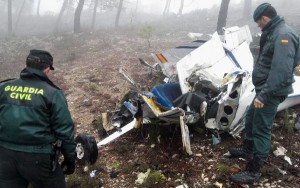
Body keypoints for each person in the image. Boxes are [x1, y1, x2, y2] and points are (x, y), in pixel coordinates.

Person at [229, 3, 300, 184]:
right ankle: (248, 150)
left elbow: (282, 71)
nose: (258, 26)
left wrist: (264, 95)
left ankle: (253, 171)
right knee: (251, 118)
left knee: (261, 128)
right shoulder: (274, 33)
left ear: (264, 19)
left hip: (271, 92)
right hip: (265, 89)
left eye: (258, 23)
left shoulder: (283, 35)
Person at [0, 50, 76, 188]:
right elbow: (64, 130)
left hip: (4, 156)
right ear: (47, 69)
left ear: (27, 65)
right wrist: (70, 159)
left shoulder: (3, 87)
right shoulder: (52, 93)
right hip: (38, 157)